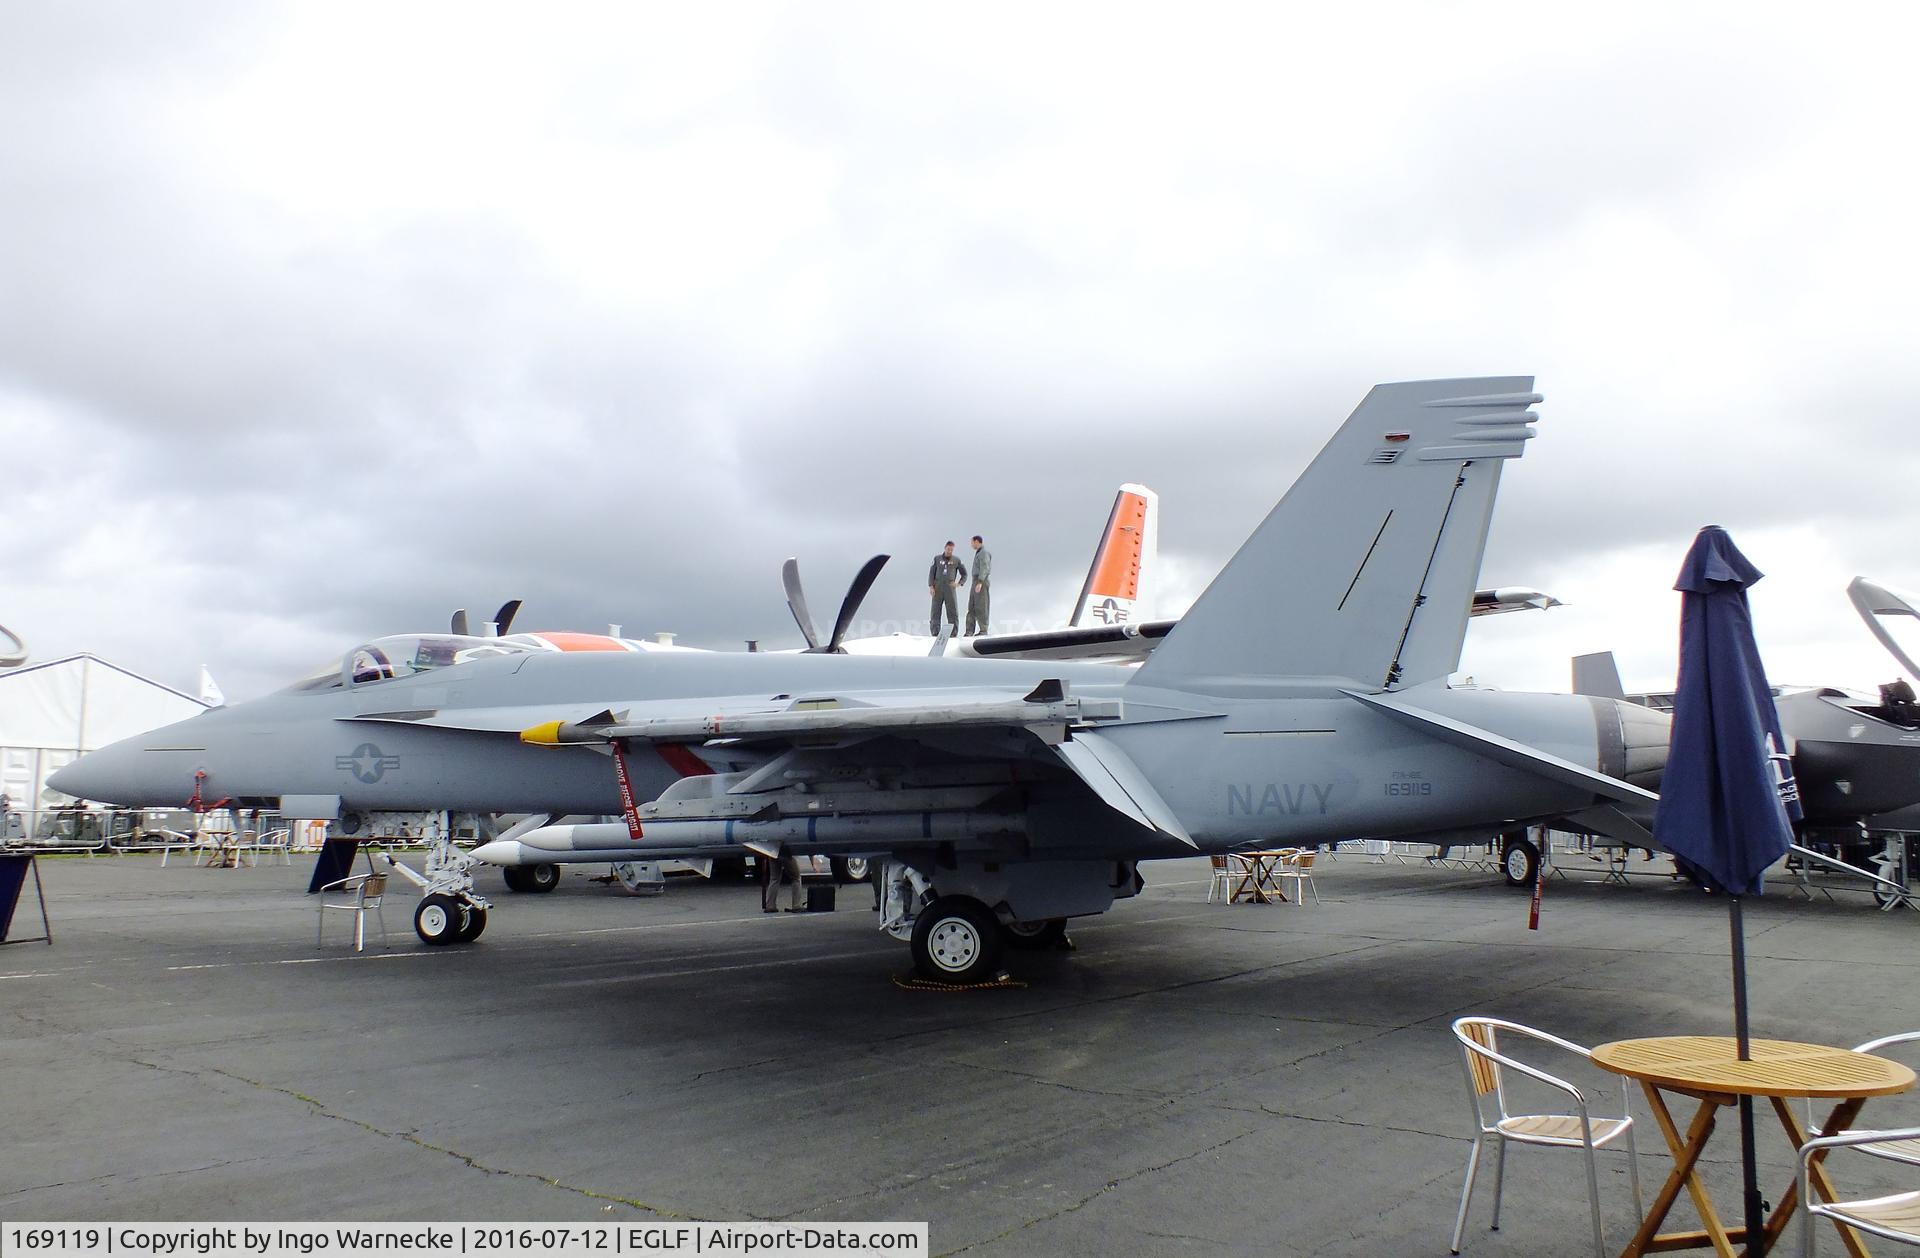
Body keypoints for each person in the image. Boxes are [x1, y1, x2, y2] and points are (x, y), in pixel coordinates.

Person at [928, 540, 967, 637]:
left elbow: (964, 574)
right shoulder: (937, 559)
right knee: (935, 611)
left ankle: (953, 634)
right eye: (948, 549)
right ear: (945, 548)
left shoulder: (956, 560)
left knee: (952, 612)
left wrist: (959, 583)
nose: (949, 551)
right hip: (938, 588)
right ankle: (935, 632)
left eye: (951, 550)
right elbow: (931, 573)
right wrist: (931, 586)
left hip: (950, 588)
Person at [966, 535, 992, 635]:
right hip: (975, 580)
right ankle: (969, 630)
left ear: (977, 542)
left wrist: (980, 582)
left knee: (981, 605)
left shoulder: (984, 553)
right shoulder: (978, 553)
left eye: (972, 542)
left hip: (981, 580)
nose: (971, 545)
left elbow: (985, 567)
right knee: (971, 606)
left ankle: (983, 629)